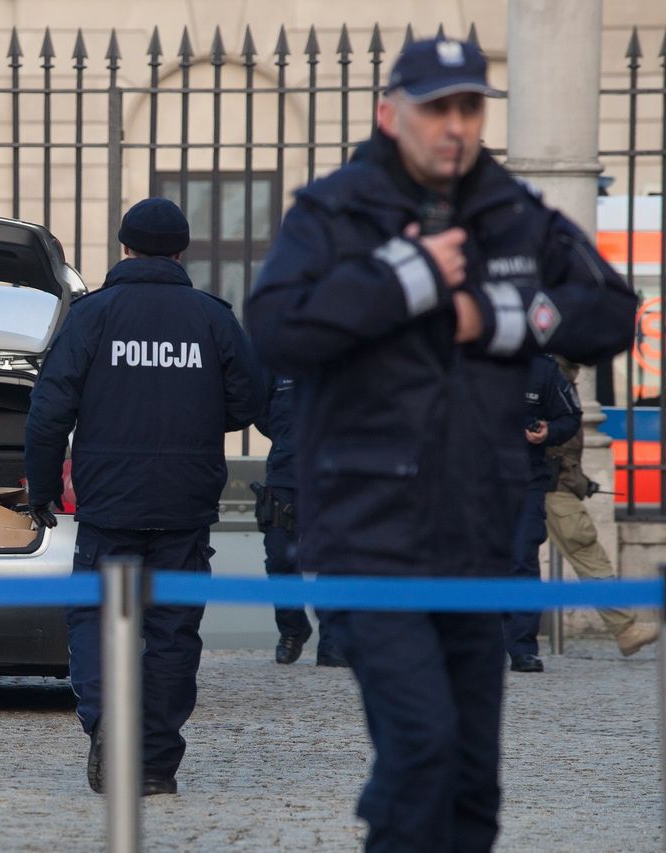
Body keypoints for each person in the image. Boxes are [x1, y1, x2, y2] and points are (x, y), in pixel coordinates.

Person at [245, 38, 636, 851]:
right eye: (436, 108)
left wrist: (507, 318)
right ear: (393, 115)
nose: (454, 126)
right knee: (420, 748)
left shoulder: (512, 211)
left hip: (478, 531)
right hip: (367, 530)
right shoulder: (334, 211)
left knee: (470, 786)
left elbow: (610, 310)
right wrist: (404, 281)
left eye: (468, 107)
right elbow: (277, 329)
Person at [24, 197, 263, 796]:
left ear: (124, 247)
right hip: (186, 503)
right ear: (182, 250)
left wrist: (45, 487)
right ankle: (155, 763)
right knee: (174, 631)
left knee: (95, 616)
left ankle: (109, 723)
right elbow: (251, 401)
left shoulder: (92, 315)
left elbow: (49, 410)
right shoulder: (212, 318)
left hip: (109, 500)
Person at [545, 356, 659, 656]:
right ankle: (625, 626)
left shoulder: (553, 380)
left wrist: (581, 481)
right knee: (587, 552)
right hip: (552, 488)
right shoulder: (553, 382)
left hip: (549, 485)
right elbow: (557, 449)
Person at [252, 370, 347, 666]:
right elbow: (259, 410)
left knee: (335, 559)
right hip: (285, 472)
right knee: (279, 556)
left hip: (335, 473)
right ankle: (293, 629)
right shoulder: (276, 360)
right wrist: (287, 440)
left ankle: (333, 641)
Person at [504, 355, 581, 673]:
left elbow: (571, 416)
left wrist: (548, 431)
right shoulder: (466, 358)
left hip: (526, 481)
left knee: (522, 559)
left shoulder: (543, 369)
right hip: (472, 482)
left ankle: (522, 648)